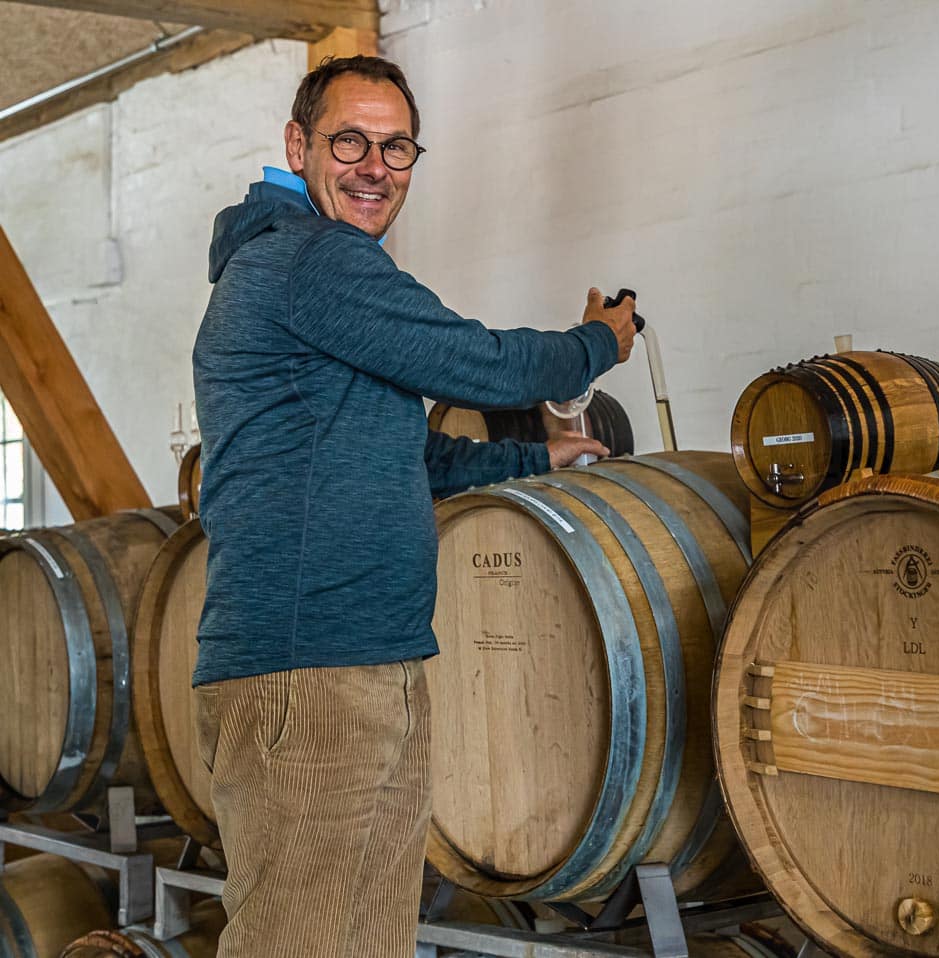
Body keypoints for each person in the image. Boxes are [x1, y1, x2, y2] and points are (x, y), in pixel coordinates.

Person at [190, 55, 635, 958]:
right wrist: (600, 342)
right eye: (349, 140)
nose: (374, 166)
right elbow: (486, 365)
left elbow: (410, 450)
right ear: (297, 145)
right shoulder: (312, 261)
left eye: (397, 148)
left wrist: (530, 454)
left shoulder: (301, 273)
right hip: (311, 667)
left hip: (361, 657)